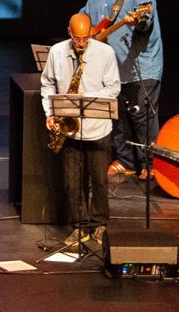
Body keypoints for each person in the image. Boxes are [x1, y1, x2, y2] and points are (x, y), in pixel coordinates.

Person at [80, 0, 163, 179]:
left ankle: (151, 164)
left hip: (140, 68)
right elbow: (84, 17)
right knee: (118, 117)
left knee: (142, 117)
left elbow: (145, 22)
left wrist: (138, 21)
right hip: (112, 69)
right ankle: (126, 161)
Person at [41, 13, 120, 249]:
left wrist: (89, 98)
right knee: (72, 182)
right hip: (70, 129)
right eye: (77, 39)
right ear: (69, 33)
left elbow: (113, 88)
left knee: (99, 181)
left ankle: (99, 223)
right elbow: (47, 83)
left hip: (98, 127)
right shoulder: (57, 52)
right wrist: (50, 112)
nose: (82, 44)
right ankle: (79, 226)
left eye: (86, 39)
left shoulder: (105, 53)